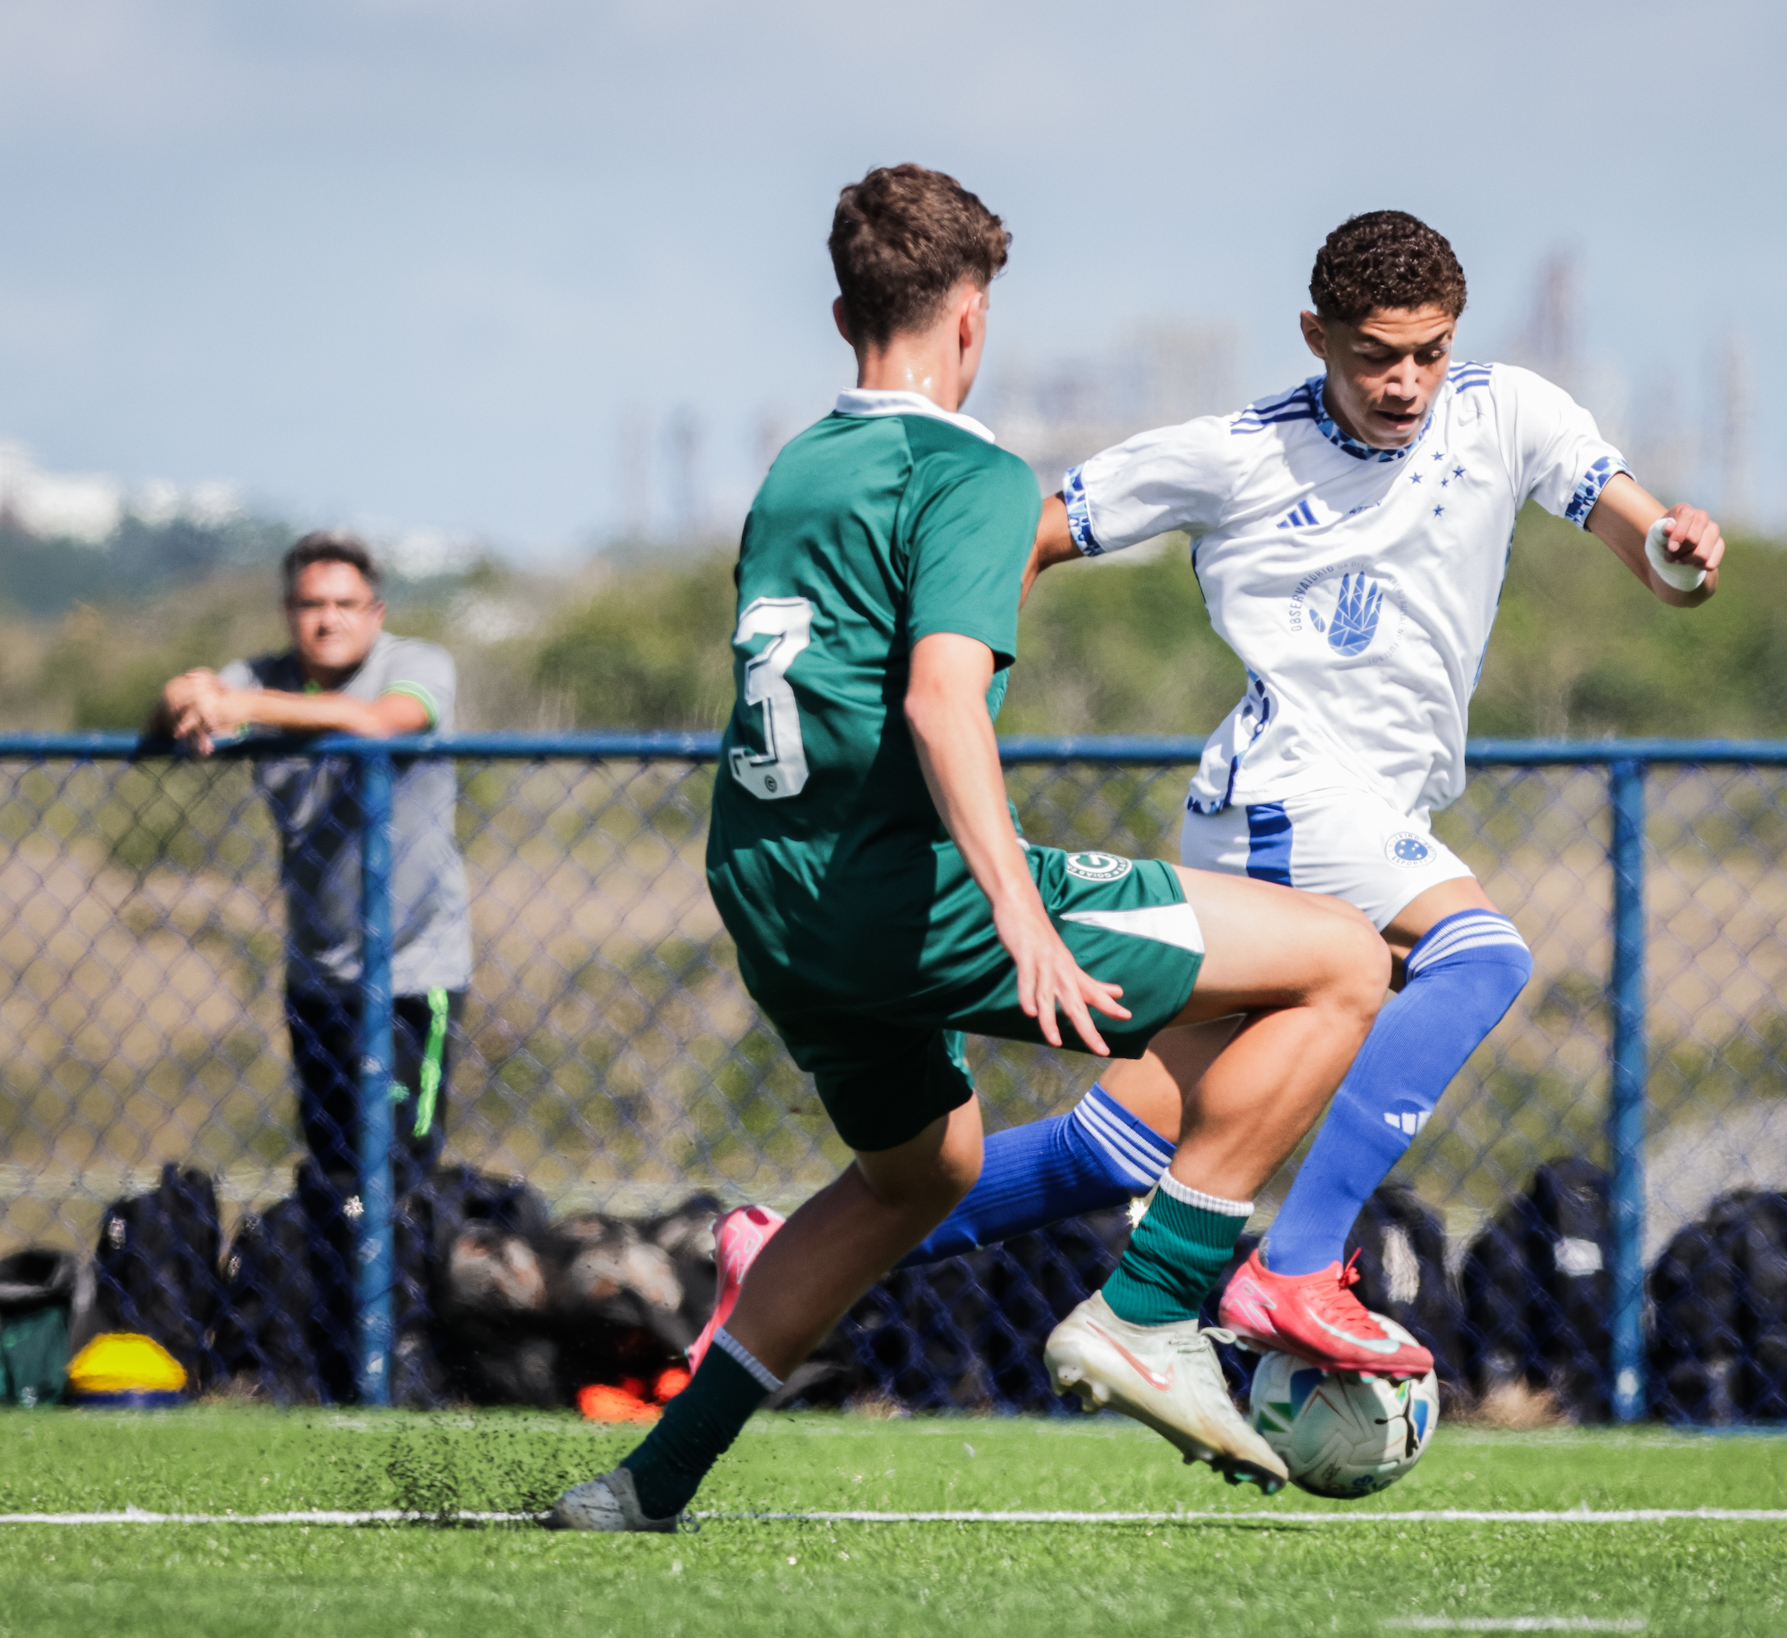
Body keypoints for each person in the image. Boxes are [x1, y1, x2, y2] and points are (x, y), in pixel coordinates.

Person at [680, 211, 1725, 1387]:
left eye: (1427, 352)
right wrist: (931, 678)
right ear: (1313, 335)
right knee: (1475, 957)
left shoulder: (1512, 412)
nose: (1403, 381)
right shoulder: (1233, 452)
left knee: (1120, 1140)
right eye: (1374, 353)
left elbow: (1653, 554)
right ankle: (1295, 1264)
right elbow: (1023, 535)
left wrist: (1678, 549)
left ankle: (775, 1254)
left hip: (1372, 806)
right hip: (1283, 793)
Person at [546, 164, 1390, 1533]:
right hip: (901, 888)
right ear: (973, 317)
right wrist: (1021, 916)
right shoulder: (972, 471)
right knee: (1342, 961)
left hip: (767, 886)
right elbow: (942, 699)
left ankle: (646, 1481)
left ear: (842, 312)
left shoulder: (798, 465)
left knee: (920, 1174)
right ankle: (1152, 1306)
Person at [150, 530, 471, 1399]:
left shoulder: (417, 666)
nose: (326, 621)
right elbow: (177, 716)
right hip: (317, 976)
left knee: (397, 1169)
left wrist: (240, 705)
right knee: (334, 1170)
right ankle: (338, 1353)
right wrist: (188, 694)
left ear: (375, 612)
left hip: (413, 973)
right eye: (309, 605)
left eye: (343, 604)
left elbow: (377, 725)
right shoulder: (260, 678)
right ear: (290, 614)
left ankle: (403, 1352)